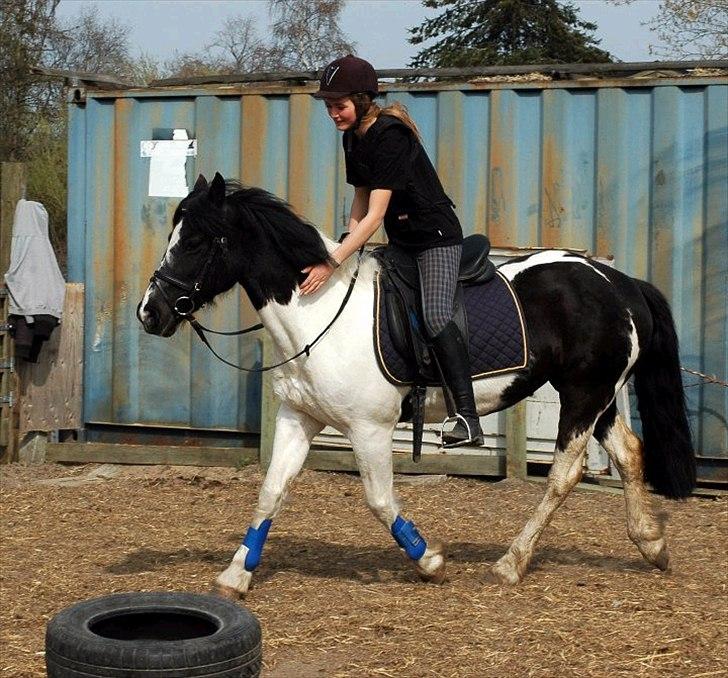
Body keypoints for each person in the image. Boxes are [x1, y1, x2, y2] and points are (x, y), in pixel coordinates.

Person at [300, 54, 483, 448]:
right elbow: (359, 204)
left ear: (363, 101)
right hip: (400, 243)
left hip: (435, 238)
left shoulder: (390, 135)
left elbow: (376, 215)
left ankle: (466, 418)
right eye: (329, 107)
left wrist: (333, 261)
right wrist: (347, 248)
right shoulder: (353, 138)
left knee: (435, 316)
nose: (333, 113)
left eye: (340, 105)